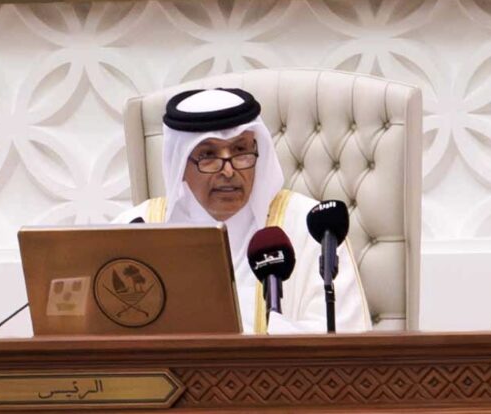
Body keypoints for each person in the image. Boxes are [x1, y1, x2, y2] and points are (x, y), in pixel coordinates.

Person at [115, 88, 371, 334]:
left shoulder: (313, 227)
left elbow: (343, 336)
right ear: (181, 164)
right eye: (208, 155)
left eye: (240, 151)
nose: (228, 171)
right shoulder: (136, 229)